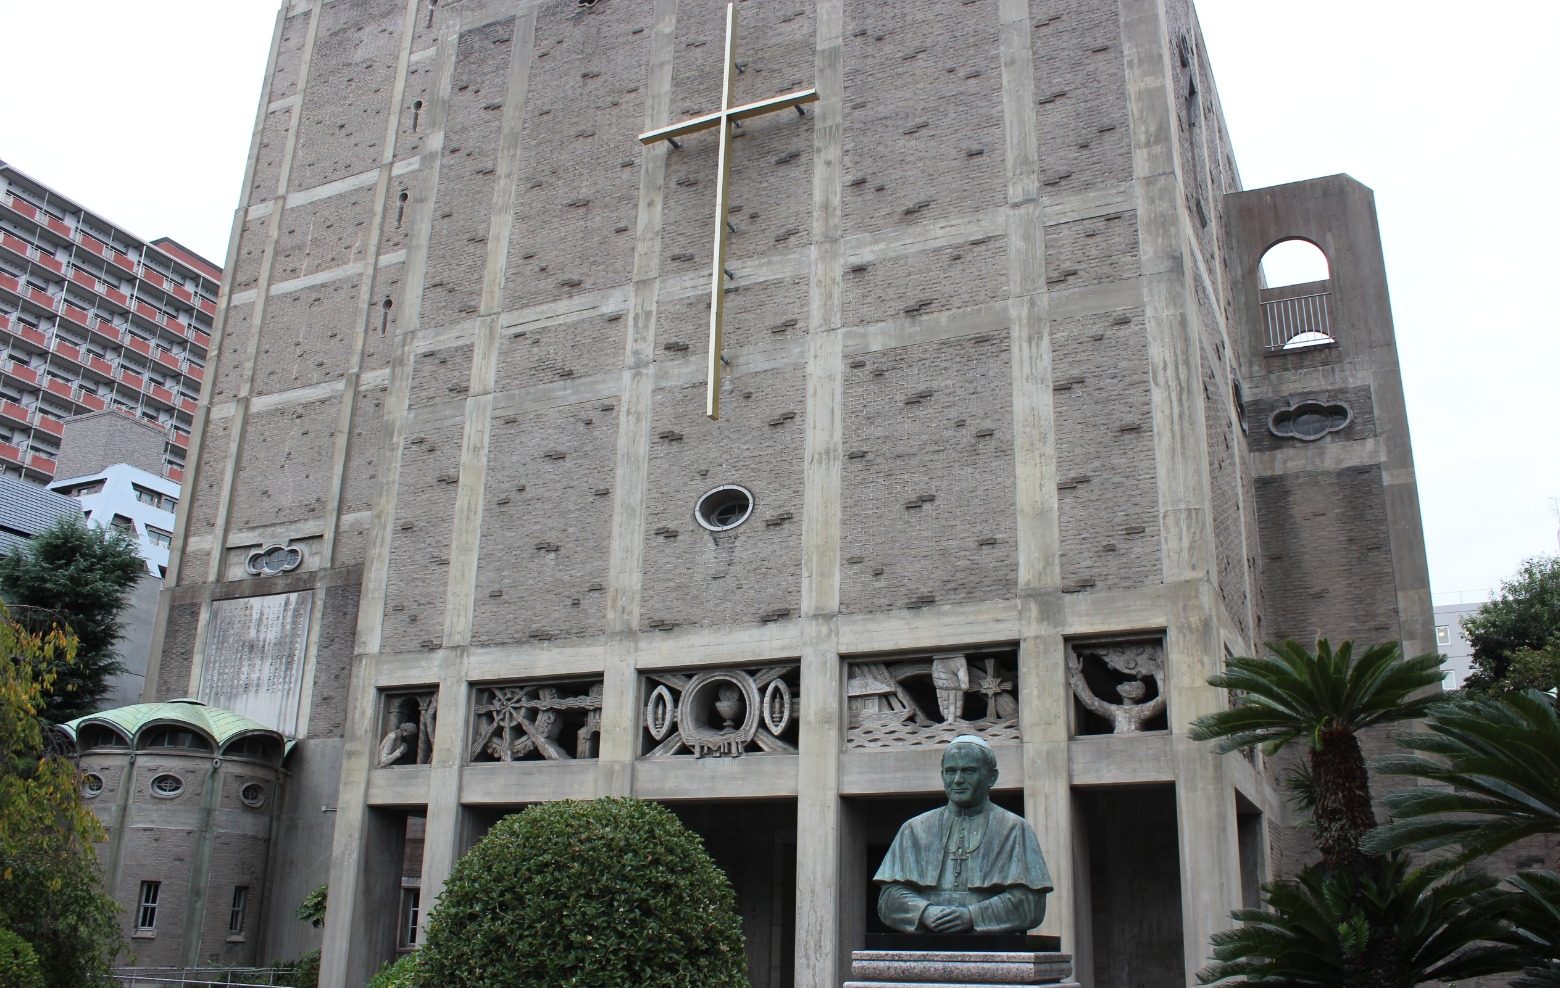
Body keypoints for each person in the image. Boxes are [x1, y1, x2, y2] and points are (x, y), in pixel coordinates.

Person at [874, 735, 1052, 933]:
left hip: (991, 946)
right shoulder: (914, 829)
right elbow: (889, 897)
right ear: (943, 776)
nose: (958, 780)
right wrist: (924, 912)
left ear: (991, 777)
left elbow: (1031, 903)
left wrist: (973, 916)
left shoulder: (1015, 829)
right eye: (951, 771)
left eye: (969, 771)